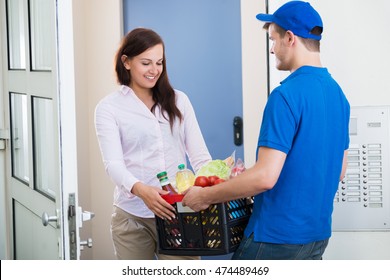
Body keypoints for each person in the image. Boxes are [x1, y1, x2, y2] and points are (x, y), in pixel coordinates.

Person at [182, 1, 350, 260]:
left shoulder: (285, 96)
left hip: (275, 238)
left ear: (290, 38)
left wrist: (206, 195)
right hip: (317, 236)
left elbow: (265, 178)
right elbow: (338, 171)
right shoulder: (339, 96)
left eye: (273, 40)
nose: (272, 49)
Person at [94, 28, 211, 260]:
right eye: (146, 63)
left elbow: (200, 157)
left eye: (159, 62)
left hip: (178, 213)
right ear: (126, 62)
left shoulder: (179, 101)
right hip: (132, 217)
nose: (154, 70)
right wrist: (142, 191)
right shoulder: (109, 108)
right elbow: (113, 165)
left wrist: (211, 189)